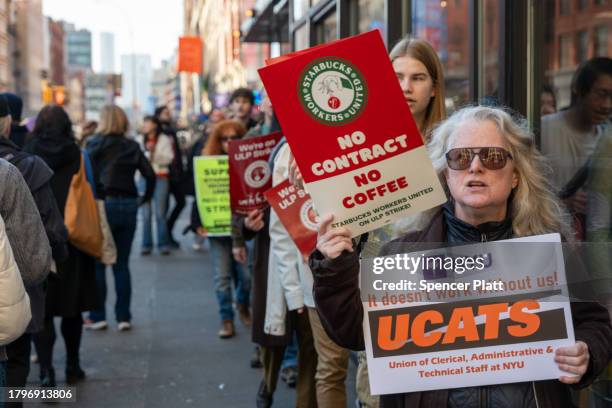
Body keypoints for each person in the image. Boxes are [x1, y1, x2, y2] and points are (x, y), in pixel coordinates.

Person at [310, 106, 612, 407]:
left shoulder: (551, 251)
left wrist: (585, 351)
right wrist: (335, 266)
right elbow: (353, 332)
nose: (476, 167)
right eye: (460, 157)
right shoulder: (402, 255)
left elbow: (593, 322)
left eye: (492, 157)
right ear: (445, 175)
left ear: (516, 176)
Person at [0, 96, 68, 405]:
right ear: (7, 122)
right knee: (15, 363)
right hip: (13, 290)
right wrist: (39, 275)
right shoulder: (18, 169)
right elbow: (45, 230)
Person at [24, 105, 96, 388]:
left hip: (37, 239)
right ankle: (73, 366)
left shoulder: (27, 154)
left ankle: (45, 372)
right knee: (72, 307)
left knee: (42, 310)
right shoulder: (78, 154)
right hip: (73, 240)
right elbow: (94, 188)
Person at [85, 105, 155, 331]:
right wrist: (144, 199)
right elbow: (149, 175)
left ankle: (98, 316)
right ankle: (123, 317)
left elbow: (86, 178)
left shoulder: (94, 145)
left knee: (99, 263)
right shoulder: (132, 146)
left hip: (103, 206)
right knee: (122, 264)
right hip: (129, 204)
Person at [541, 57, 612, 240]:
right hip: (550, 240)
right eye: (601, 94)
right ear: (578, 90)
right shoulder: (543, 130)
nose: (607, 105)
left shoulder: (607, 139)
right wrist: (564, 202)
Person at [192, 119, 251, 338]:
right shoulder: (208, 162)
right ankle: (226, 318)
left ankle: (243, 305)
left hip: (243, 228)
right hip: (216, 228)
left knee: (246, 277)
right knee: (222, 277)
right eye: (224, 139)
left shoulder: (248, 162)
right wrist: (197, 223)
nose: (229, 142)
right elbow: (200, 195)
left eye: (234, 138)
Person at [137, 115, 174, 255]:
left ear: (154, 124)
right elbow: (137, 158)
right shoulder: (140, 139)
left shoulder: (164, 139)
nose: (145, 125)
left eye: (148, 123)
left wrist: (154, 152)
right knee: (146, 214)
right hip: (144, 178)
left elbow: (169, 158)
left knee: (160, 213)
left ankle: (163, 244)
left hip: (160, 177)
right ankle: (146, 244)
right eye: (144, 123)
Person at [155, 106, 185, 249]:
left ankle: (168, 229)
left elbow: (177, 153)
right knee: (164, 207)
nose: (168, 115)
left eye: (169, 112)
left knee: (181, 202)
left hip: (176, 174)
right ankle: (165, 237)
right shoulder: (157, 132)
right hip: (163, 174)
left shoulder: (172, 130)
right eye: (165, 113)